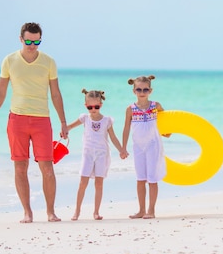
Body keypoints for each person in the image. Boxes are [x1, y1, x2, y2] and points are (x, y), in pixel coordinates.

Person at [0, 22, 68, 223]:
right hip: (17, 120)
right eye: (28, 41)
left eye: (36, 41)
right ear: (21, 39)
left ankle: (50, 212)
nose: (32, 45)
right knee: (20, 166)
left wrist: (63, 122)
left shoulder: (48, 62)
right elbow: (1, 92)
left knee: (47, 167)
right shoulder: (9, 60)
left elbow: (55, 94)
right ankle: (27, 212)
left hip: (42, 120)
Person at [66, 89, 127, 221]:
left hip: (102, 154)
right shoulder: (84, 118)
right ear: (85, 106)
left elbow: (113, 137)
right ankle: (77, 211)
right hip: (87, 154)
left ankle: (96, 212)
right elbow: (69, 127)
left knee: (99, 183)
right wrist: (64, 130)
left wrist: (122, 149)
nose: (93, 109)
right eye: (90, 107)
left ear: (101, 105)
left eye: (96, 106)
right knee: (83, 182)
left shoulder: (107, 121)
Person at [122, 75, 169, 219]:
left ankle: (151, 210)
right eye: (139, 89)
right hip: (138, 147)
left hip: (153, 145)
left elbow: (167, 120)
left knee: (152, 179)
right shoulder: (130, 109)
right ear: (134, 91)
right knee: (140, 179)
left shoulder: (156, 106)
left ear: (150, 90)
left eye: (145, 89)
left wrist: (167, 132)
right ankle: (141, 210)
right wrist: (123, 148)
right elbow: (126, 128)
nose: (142, 92)